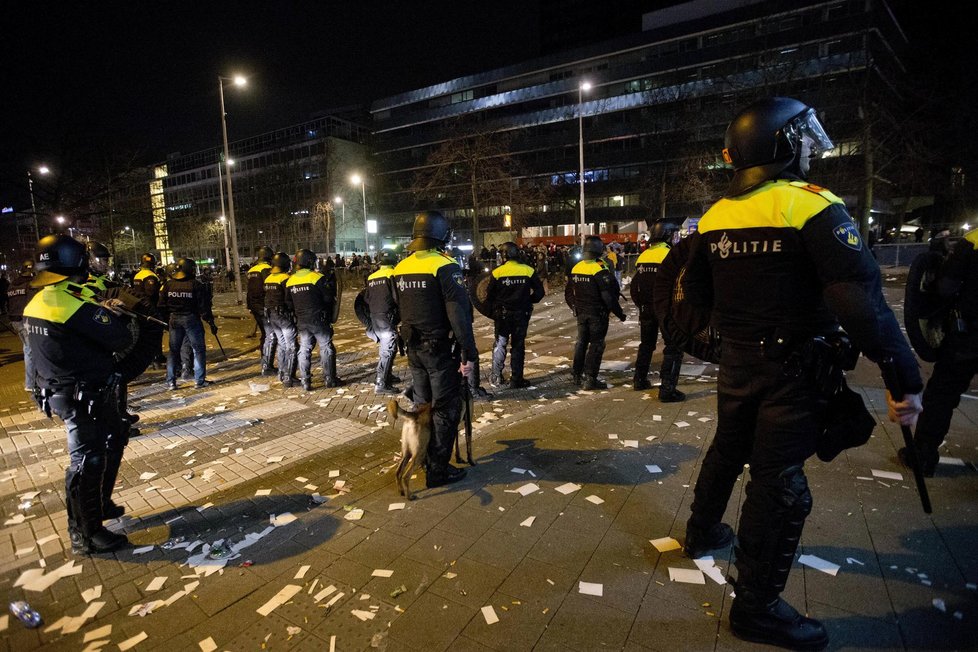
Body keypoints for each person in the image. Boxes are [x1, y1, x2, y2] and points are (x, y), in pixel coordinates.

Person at [681, 97, 922, 650]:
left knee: (729, 447)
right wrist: (903, 379)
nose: (812, 148)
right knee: (780, 485)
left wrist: (731, 335)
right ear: (783, 144)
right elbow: (861, 303)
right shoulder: (811, 205)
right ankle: (757, 609)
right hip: (794, 368)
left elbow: (693, 294)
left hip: (739, 364)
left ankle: (702, 530)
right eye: (804, 138)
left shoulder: (717, 214)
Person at [24, 235, 132, 554]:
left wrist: (33, 388)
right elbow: (120, 337)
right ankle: (86, 534)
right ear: (77, 263)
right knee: (88, 460)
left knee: (115, 437)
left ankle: (99, 506)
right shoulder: (67, 303)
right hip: (81, 394)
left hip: (66, 390)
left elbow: (31, 352)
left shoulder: (40, 300)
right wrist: (111, 310)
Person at [392, 211, 478, 487]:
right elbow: (458, 314)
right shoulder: (445, 266)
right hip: (439, 349)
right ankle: (438, 470)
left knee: (423, 406)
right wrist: (469, 351)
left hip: (414, 348)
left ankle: (426, 458)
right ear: (442, 235)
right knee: (444, 410)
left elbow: (397, 308)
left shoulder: (401, 267)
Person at [900, 227, 978, 476]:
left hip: (968, 336)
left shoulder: (973, 241)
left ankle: (923, 455)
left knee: (942, 394)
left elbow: (945, 286)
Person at [631, 221, 685, 401]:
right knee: (674, 347)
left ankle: (639, 379)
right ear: (668, 236)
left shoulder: (643, 256)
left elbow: (634, 286)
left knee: (646, 345)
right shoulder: (672, 255)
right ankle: (667, 389)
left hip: (646, 309)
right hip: (666, 310)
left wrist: (641, 306)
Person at [566, 235, 626, 390]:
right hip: (596, 314)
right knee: (597, 345)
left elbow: (569, 293)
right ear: (598, 250)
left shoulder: (577, 267)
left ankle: (577, 374)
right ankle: (590, 379)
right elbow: (607, 296)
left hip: (581, 312)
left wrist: (574, 307)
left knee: (581, 343)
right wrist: (619, 313)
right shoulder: (599, 269)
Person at [487, 241, 545, 389]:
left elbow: (488, 296)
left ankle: (496, 377)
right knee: (518, 345)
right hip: (521, 314)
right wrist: (528, 300)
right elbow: (539, 293)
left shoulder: (497, 272)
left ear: (504, 256)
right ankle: (516, 379)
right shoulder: (528, 270)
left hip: (503, 315)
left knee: (500, 344)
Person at [287, 249, 343, 391]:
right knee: (326, 347)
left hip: (302, 321)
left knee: (305, 349)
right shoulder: (316, 278)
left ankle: (305, 380)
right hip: (318, 319)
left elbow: (288, 303)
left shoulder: (290, 280)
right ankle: (329, 379)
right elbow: (328, 298)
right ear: (309, 262)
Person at [161, 257, 217, 390]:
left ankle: (171, 382)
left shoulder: (169, 285)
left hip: (174, 319)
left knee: (173, 351)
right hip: (191, 319)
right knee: (198, 350)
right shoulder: (195, 284)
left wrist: (166, 320)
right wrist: (210, 322)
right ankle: (199, 381)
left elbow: (161, 305)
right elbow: (203, 307)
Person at [365, 250, 401, 394]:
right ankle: (381, 383)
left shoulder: (372, 276)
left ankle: (387, 375)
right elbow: (397, 297)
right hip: (388, 315)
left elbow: (366, 298)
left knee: (387, 347)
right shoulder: (393, 274)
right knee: (389, 348)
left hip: (375, 315)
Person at [262, 252, 297, 387]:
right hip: (284, 317)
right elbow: (289, 299)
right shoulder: (285, 278)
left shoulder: (268, 278)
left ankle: (281, 373)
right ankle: (289, 376)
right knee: (292, 346)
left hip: (272, 316)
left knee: (282, 345)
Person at [6, 260, 40, 390]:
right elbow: (33, 303)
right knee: (30, 350)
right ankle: (30, 383)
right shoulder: (30, 285)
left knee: (28, 348)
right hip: (25, 319)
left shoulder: (13, 284)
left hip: (15, 320)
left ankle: (33, 380)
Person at [247, 246, 274, 364]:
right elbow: (269, 288)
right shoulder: (267, 269)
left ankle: (265, 359)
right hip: (263, 305)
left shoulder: (251, 270)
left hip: (254, 305)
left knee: (264, 334)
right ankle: (267, 362)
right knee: (269, 335)